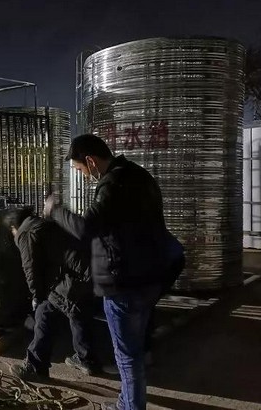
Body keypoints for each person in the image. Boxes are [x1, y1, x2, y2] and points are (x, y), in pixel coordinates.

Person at [44, 134, 173, 410]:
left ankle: (129, 407)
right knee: (135, 349)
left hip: (125, 282)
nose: (84, 174)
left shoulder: (112, 184)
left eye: (81, 169)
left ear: (91, 161)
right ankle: (126, 402)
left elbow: (86, 229)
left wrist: (55, 211)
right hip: (151, 276)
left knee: (126, 355)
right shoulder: (140, 175)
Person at [4, 206, 98, 380]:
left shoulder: (25, 232)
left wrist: (36, 296)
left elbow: (30, 268)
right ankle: (87, 359)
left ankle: (35, 365)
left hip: (74, 276)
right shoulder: (42, 224)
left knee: (45, 310)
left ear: (13, 227)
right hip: (89, 272)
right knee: (78, 312)